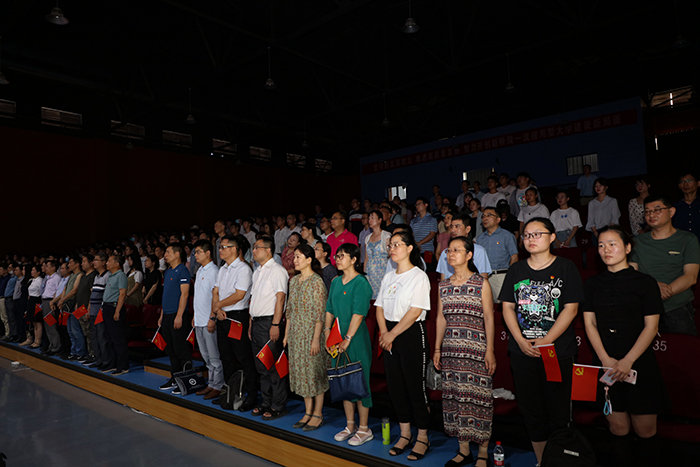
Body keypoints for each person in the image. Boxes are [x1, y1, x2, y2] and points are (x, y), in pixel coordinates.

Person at [498, 217, 584, 465]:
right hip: (522, 351)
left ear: (552, 237)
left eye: (537, 234)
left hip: (556, 351)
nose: (531, 239)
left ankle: (559, 460)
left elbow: (571, 309)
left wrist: (547, 340)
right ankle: (541, 461)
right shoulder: (516, 270)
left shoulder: (566, 267)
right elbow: (507, 308)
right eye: (527, 235)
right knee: (531, 410)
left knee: (558, 411)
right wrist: (520, 340)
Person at [583, 226, 665, 467]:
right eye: (601, 245)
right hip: (606, 362)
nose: (606, 250)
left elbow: (651, 327)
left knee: (645, 430)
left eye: (612, 244)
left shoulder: (645, 283)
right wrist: (605, 359)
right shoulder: (592, 284)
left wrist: (628, 361)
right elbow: (589, 324)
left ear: (628, 248)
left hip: (639, 362)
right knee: (617, 428)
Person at [434, 236, 496, 467]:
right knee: (456, 399)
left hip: (476, 350)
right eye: (449, 250)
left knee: (479, 399)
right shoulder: (443, 285)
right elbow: (440, 318)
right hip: (451, 350)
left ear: (469, 255)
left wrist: (490, 350)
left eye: (456, 250)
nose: (451, 254)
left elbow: (489, 317)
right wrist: (437, 349)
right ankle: (463, 450)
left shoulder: (481, 283)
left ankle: (483, 451)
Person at [376, 230, 432, 461]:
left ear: (409, 248)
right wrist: (384, 333)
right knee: (395, 386)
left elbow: (415, 311)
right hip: (389, 333)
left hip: (410, 333)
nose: (392, 249)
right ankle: (405, 433)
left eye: (397, 244)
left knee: (414, 387)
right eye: (390, 245)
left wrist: (392, 334)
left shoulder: (419, 276)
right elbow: (379, 307)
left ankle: (423, 436)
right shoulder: (389, 276)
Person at [325, 243, 374, 446]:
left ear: (354, 260)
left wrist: (348, 339)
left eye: (342, 256)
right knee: (343, 380)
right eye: (336, 256)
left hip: (356, 340)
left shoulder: (361, 283)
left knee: (359, 382)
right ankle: (350, 425)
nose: (338, 259)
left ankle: (364, 428)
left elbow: (358, 314)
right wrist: (327, 333)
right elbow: (329, 308)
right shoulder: (336, 282)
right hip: (337, 338)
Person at [629, 195, 700, 335]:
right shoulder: (637, 242)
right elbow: (632, 274)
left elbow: (691, 277)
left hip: (678, 306)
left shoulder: (688, 239)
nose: (651, 215)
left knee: (684, 347)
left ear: (671, 212)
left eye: (657, 210)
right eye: (647, 211)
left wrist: (663, 292)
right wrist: (654, 289)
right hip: (645, 306)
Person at [284, 244, 329, 431]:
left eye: (298, 257)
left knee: (314, 374)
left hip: (311, 334)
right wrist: (286, 335)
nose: (294, 260)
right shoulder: (294, 281)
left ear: (309, 260)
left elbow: (320, 313)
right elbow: (289, 310)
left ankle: (318, 413)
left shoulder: (317, 282)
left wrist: (316, 339)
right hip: (296, 334)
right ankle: (308, 411)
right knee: (301, 374)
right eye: (294, 257)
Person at [212, 235, 257, 410]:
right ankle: (230, 393)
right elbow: (216, 291)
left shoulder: (243, 269)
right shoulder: (223, 268)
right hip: (222, 316)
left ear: (234, 249)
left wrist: (218, 305)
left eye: (224, 247)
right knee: (226, 356)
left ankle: (251, 395)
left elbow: (239, 295)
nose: (220, 250)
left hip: (237, 316)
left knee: (243, 357)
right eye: (220, 247)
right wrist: (217, 309)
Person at [249, 236, 289, 420]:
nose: (254, 251)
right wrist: (251, 322)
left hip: (269, 323)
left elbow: (280, 298)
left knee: (272, 366)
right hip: (257, 322)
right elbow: (254, 299)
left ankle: (278, 405)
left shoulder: (277, 270)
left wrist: (275, 324)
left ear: (268, 250)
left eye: (257, 247)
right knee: (261, 366)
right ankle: (266, 402)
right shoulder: (257, 271)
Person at [157, 244, 192, 393]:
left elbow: (184, 294)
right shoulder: (168, 271)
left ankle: (185, 381)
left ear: (177, 254)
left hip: (177, 315)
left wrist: (179, 315)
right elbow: (166, 295)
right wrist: (161, 315)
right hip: (167, 315)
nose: (165, 255)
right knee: (170, 349)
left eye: (168, 252)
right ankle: (175, 378)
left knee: (180, 349)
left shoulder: (183, 270)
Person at [191, 240, 224, 400]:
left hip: (208, 319)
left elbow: (215, 297)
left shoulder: (214, 271)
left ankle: (218, 385)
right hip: (199, 318)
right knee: (205, 356)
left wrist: (212, 317)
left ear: (208, 252)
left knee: (214, 356)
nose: (195, 255)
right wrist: (194, 316)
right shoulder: (199, 270)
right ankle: (211, 383)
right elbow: (199, 297)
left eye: (198, 252)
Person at [476, 207, 519, 302]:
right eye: (483, 216)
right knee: (486, 306)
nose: (485, 218)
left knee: (504, 305)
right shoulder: (480, 238)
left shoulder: (507, 236)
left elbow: (514, 257)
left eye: (489, 215)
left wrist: (509, 277)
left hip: (501, 276)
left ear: (498, 219)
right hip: (483, 277)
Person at [436, 212, 492, 280]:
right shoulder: (446, 252)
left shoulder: (479, 251)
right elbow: (443, 279)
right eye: (451, 227)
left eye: (457, 226)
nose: (453, 230)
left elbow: (483, 278)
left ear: (467, 229)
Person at [101, 254, 130, 375]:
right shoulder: (111, 276)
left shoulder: (121, 275)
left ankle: (123, 366)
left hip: (114, 307)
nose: (106, 263)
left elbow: (122, 294)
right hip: (107, 307)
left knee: (118, 338)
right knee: (109, 337)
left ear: (117, 264)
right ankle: (113, 363)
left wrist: (117, 311)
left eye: (109, 261)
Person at [86, 253, 111, 369]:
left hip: (100, 312)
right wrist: (89, 308)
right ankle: (98, 360)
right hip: (93, 312)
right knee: (94, 337)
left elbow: (106, 295)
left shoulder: (108, 276)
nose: (94, 262)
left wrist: (101, 310)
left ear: (103, 262)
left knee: (102, 338)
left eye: (96, 260)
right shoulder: (96, 277)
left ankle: (106, 361)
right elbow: (92, 295)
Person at [363, 210, 391, 300]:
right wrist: (365, 274)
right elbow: (366, 258)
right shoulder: (367, 238)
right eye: (369, 218)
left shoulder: (386, 236)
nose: (370, 220)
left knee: (383, 297)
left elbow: (391, 255)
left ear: (379, 220)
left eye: (372, 218)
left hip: (383, 271)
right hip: (370, 272)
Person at [76, 254, 97, 364]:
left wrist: (89, 308)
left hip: (86, 308)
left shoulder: (93, 276)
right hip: (80, 308)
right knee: (84, 332)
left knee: (90, 333)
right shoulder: (83, 276)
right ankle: (88, 353)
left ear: (91, 263)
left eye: (84, 261)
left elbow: (92, 294)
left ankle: (93, 354)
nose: (82, 264)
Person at [40, 260, 62, 355]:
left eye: (48, 266)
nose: (45, 268)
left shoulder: (56, 277)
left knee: (51, 325)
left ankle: (56, 347)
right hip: (44, 301)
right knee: (47, 326)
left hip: (50, 302)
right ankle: (51, 345)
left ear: (53, 267)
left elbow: (58, 291)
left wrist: (53, 302)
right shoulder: (47, 277)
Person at [410, 197, 438, 266]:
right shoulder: (413, 220)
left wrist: (419, 243)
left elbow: (432, 234)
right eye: (416, 205)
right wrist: (415, 244)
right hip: (416, 251)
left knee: (428, 269)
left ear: (426, 205)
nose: (417, 206)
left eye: (419, 204)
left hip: (427, 251)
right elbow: (411, 234)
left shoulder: (432, 219)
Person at [673, 172, 700, 240]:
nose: (685, 184)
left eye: (689, 181)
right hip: (681, 243)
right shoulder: (674, 207)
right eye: (682, 182)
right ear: (679, 186)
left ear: (698, 183)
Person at [25, 265, 43, 348]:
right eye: (31, 270)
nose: (31, 272)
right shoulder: (32, 280)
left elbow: (40, 292)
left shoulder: (40, 280)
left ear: (38, 272)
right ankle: (35, 340)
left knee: (37, 322)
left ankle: (38, 341)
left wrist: (39, 303)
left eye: (33, 270)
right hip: (31, 301)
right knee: (33, 322)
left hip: (36, 301)